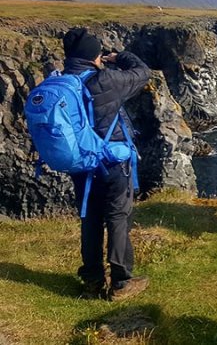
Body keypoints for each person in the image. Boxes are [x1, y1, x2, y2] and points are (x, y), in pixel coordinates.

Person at [62, 28, 152, 300]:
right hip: (112, 164)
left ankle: (92, 281)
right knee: (117, 218)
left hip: (81, 167)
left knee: (90, 220)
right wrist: (118, 57)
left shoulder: (62, 82)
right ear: (94, 56)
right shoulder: (106, 80)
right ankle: (121, 282)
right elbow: (142, 72)